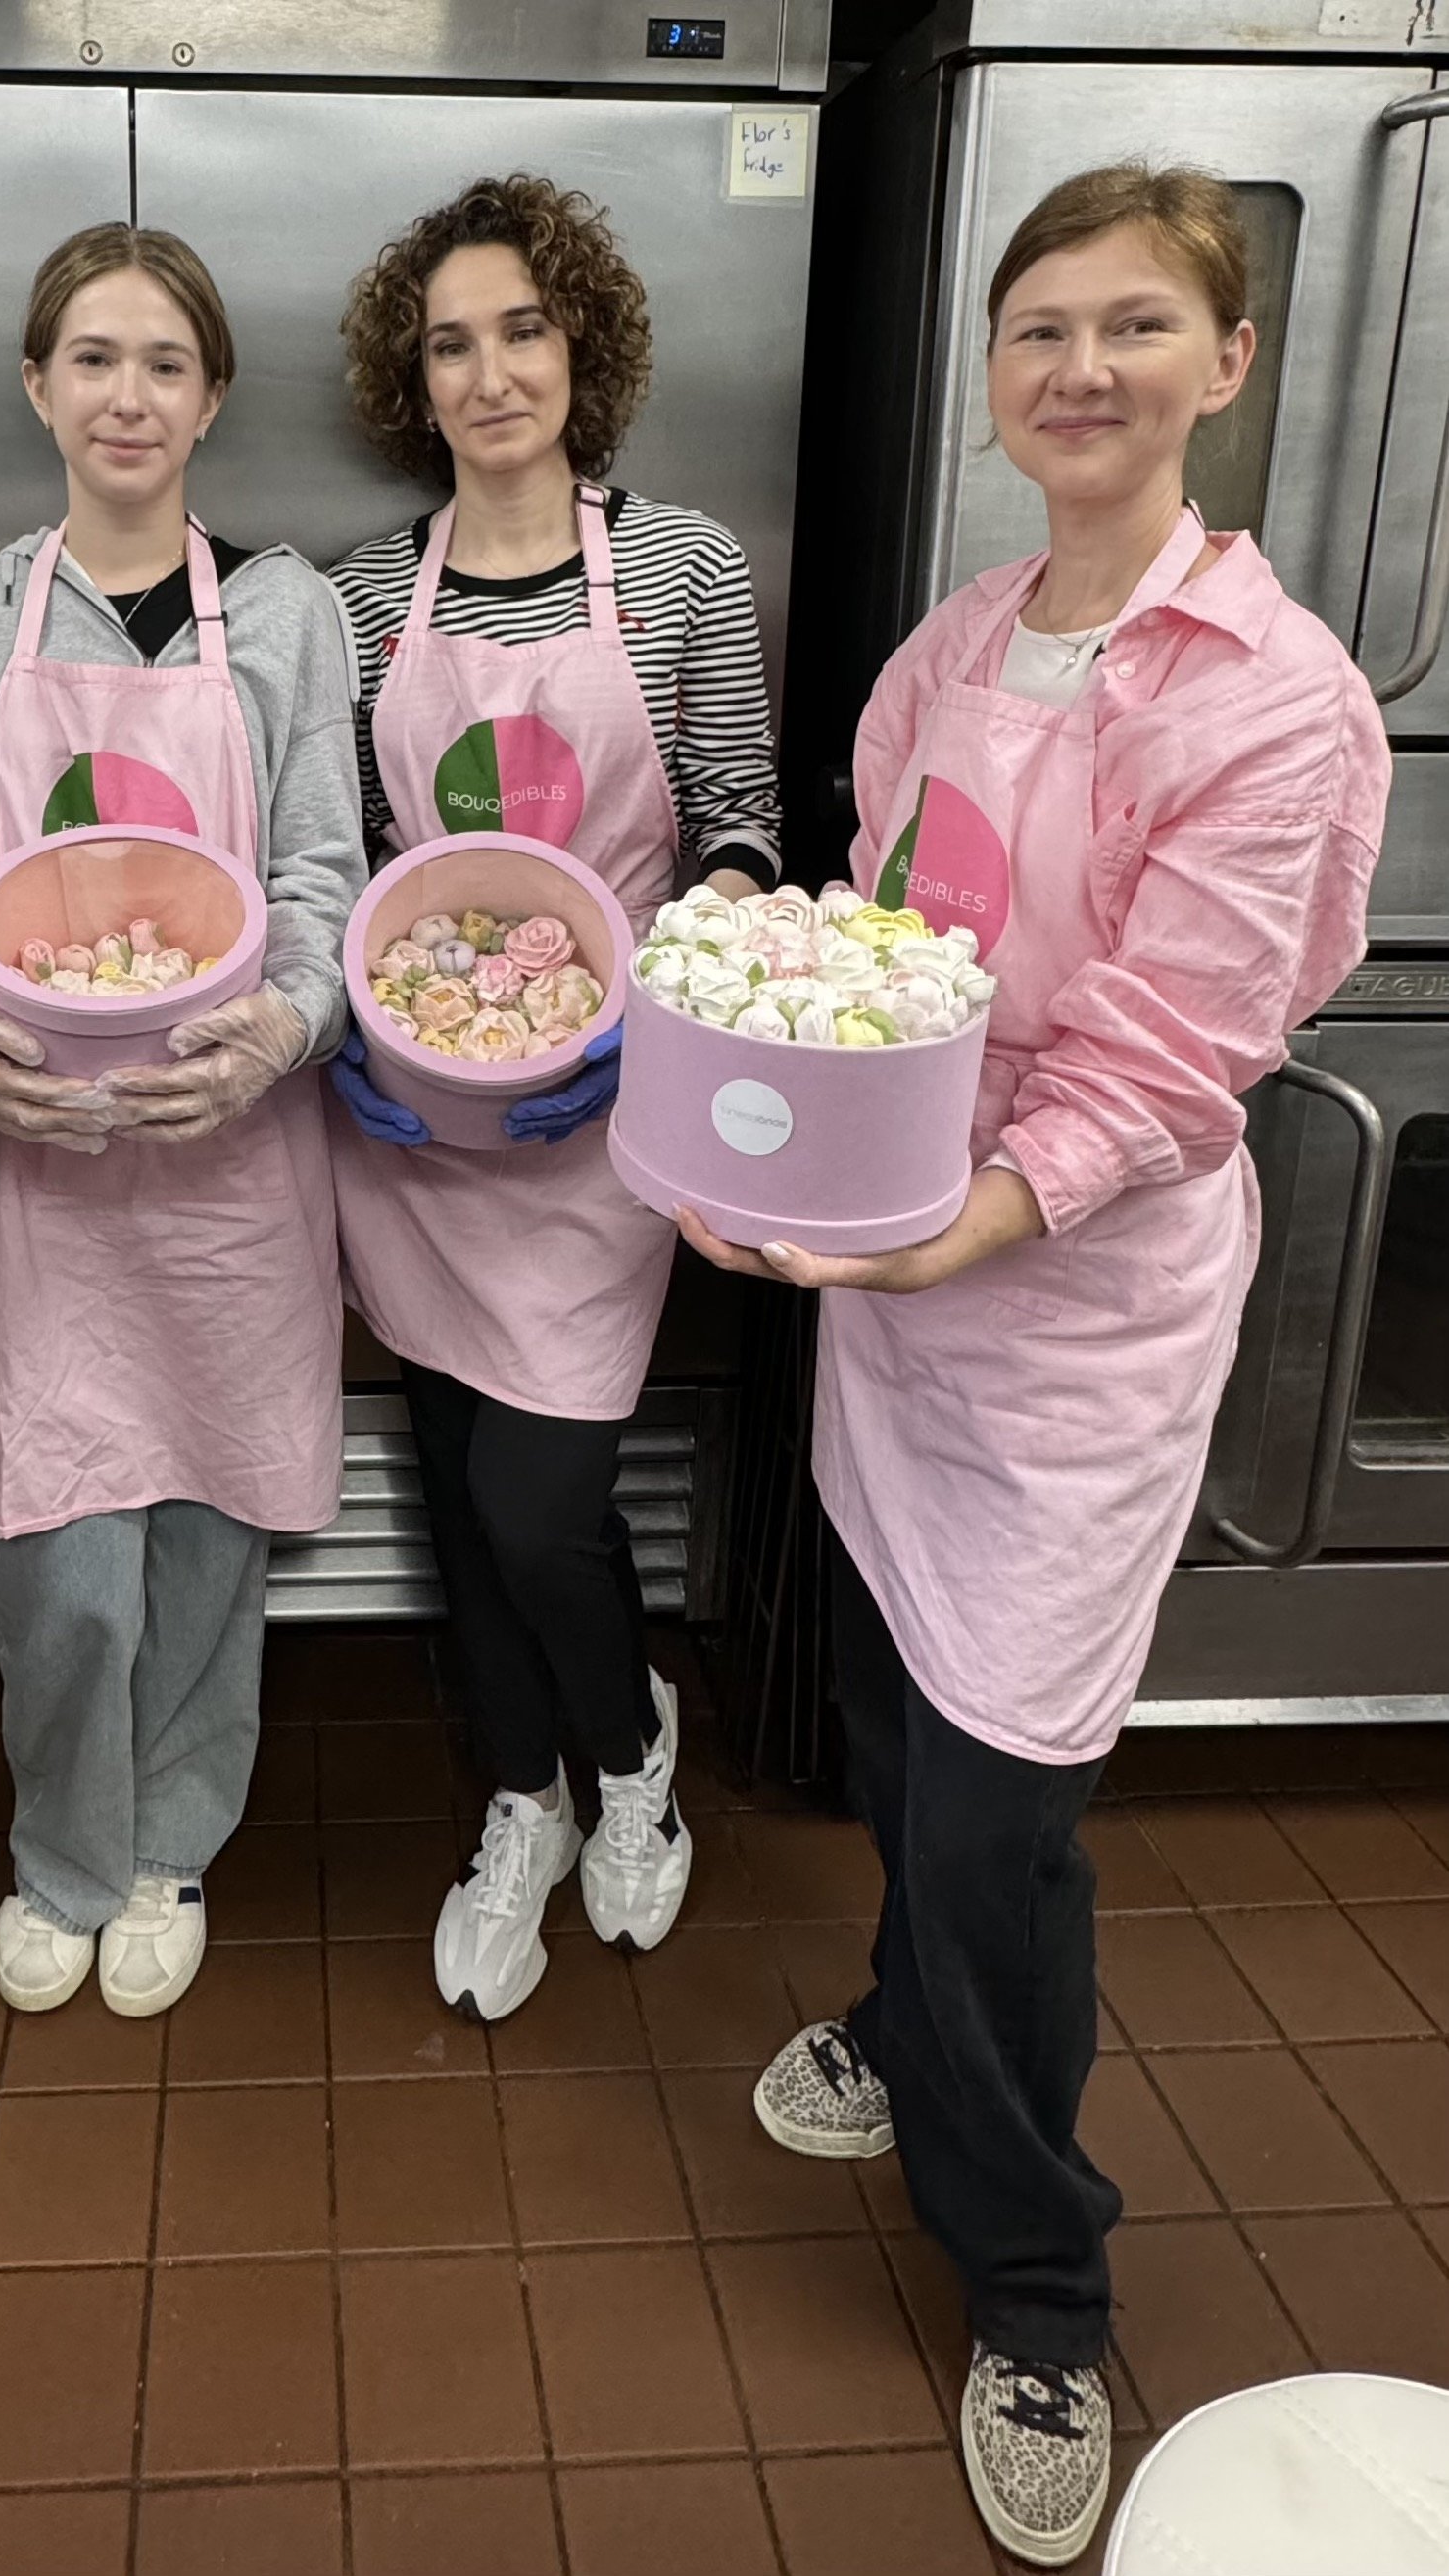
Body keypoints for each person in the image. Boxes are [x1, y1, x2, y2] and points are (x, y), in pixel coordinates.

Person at [682, 166, 1388, 2566]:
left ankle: (1037, 2288)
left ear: (1225, 362)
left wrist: (950, 1223)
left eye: (1131, 327)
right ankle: (896, 2037)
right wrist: (750, 1088)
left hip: (1062, 1316)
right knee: (888, 1712)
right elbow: (884, 955)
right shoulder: (954, 639)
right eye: (1036, 331)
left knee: (998, 1814)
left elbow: (1183, 1043)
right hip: (898, 1302)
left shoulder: (1267, 692)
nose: (1074, 369)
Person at [0, 224, 362, 2020]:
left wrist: (279, 1030)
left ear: (213, 394)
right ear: (38, 386)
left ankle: (168, 1841)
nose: (129, 395)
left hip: (233, 1150)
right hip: (39, 1159)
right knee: (60, 1548)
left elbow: (324, 869)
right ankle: (61, 1847)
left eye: (165, 361)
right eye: (93, 357)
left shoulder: (291, 611)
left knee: (210, 1522)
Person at [326, 174, 782, 2020]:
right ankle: (521, 1796)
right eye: (453, 341)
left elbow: (743, 814)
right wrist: (361, 1031)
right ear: (411, 380)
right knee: (454, 1481)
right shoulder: (366, 593)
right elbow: (347, 848)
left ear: (580, 349)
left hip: (608, 1123)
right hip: (421, 1127)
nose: (491, 369)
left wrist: (650, 1014)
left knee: (542, 1495)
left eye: (523, 329)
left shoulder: (678, 568)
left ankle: (632, 1736)